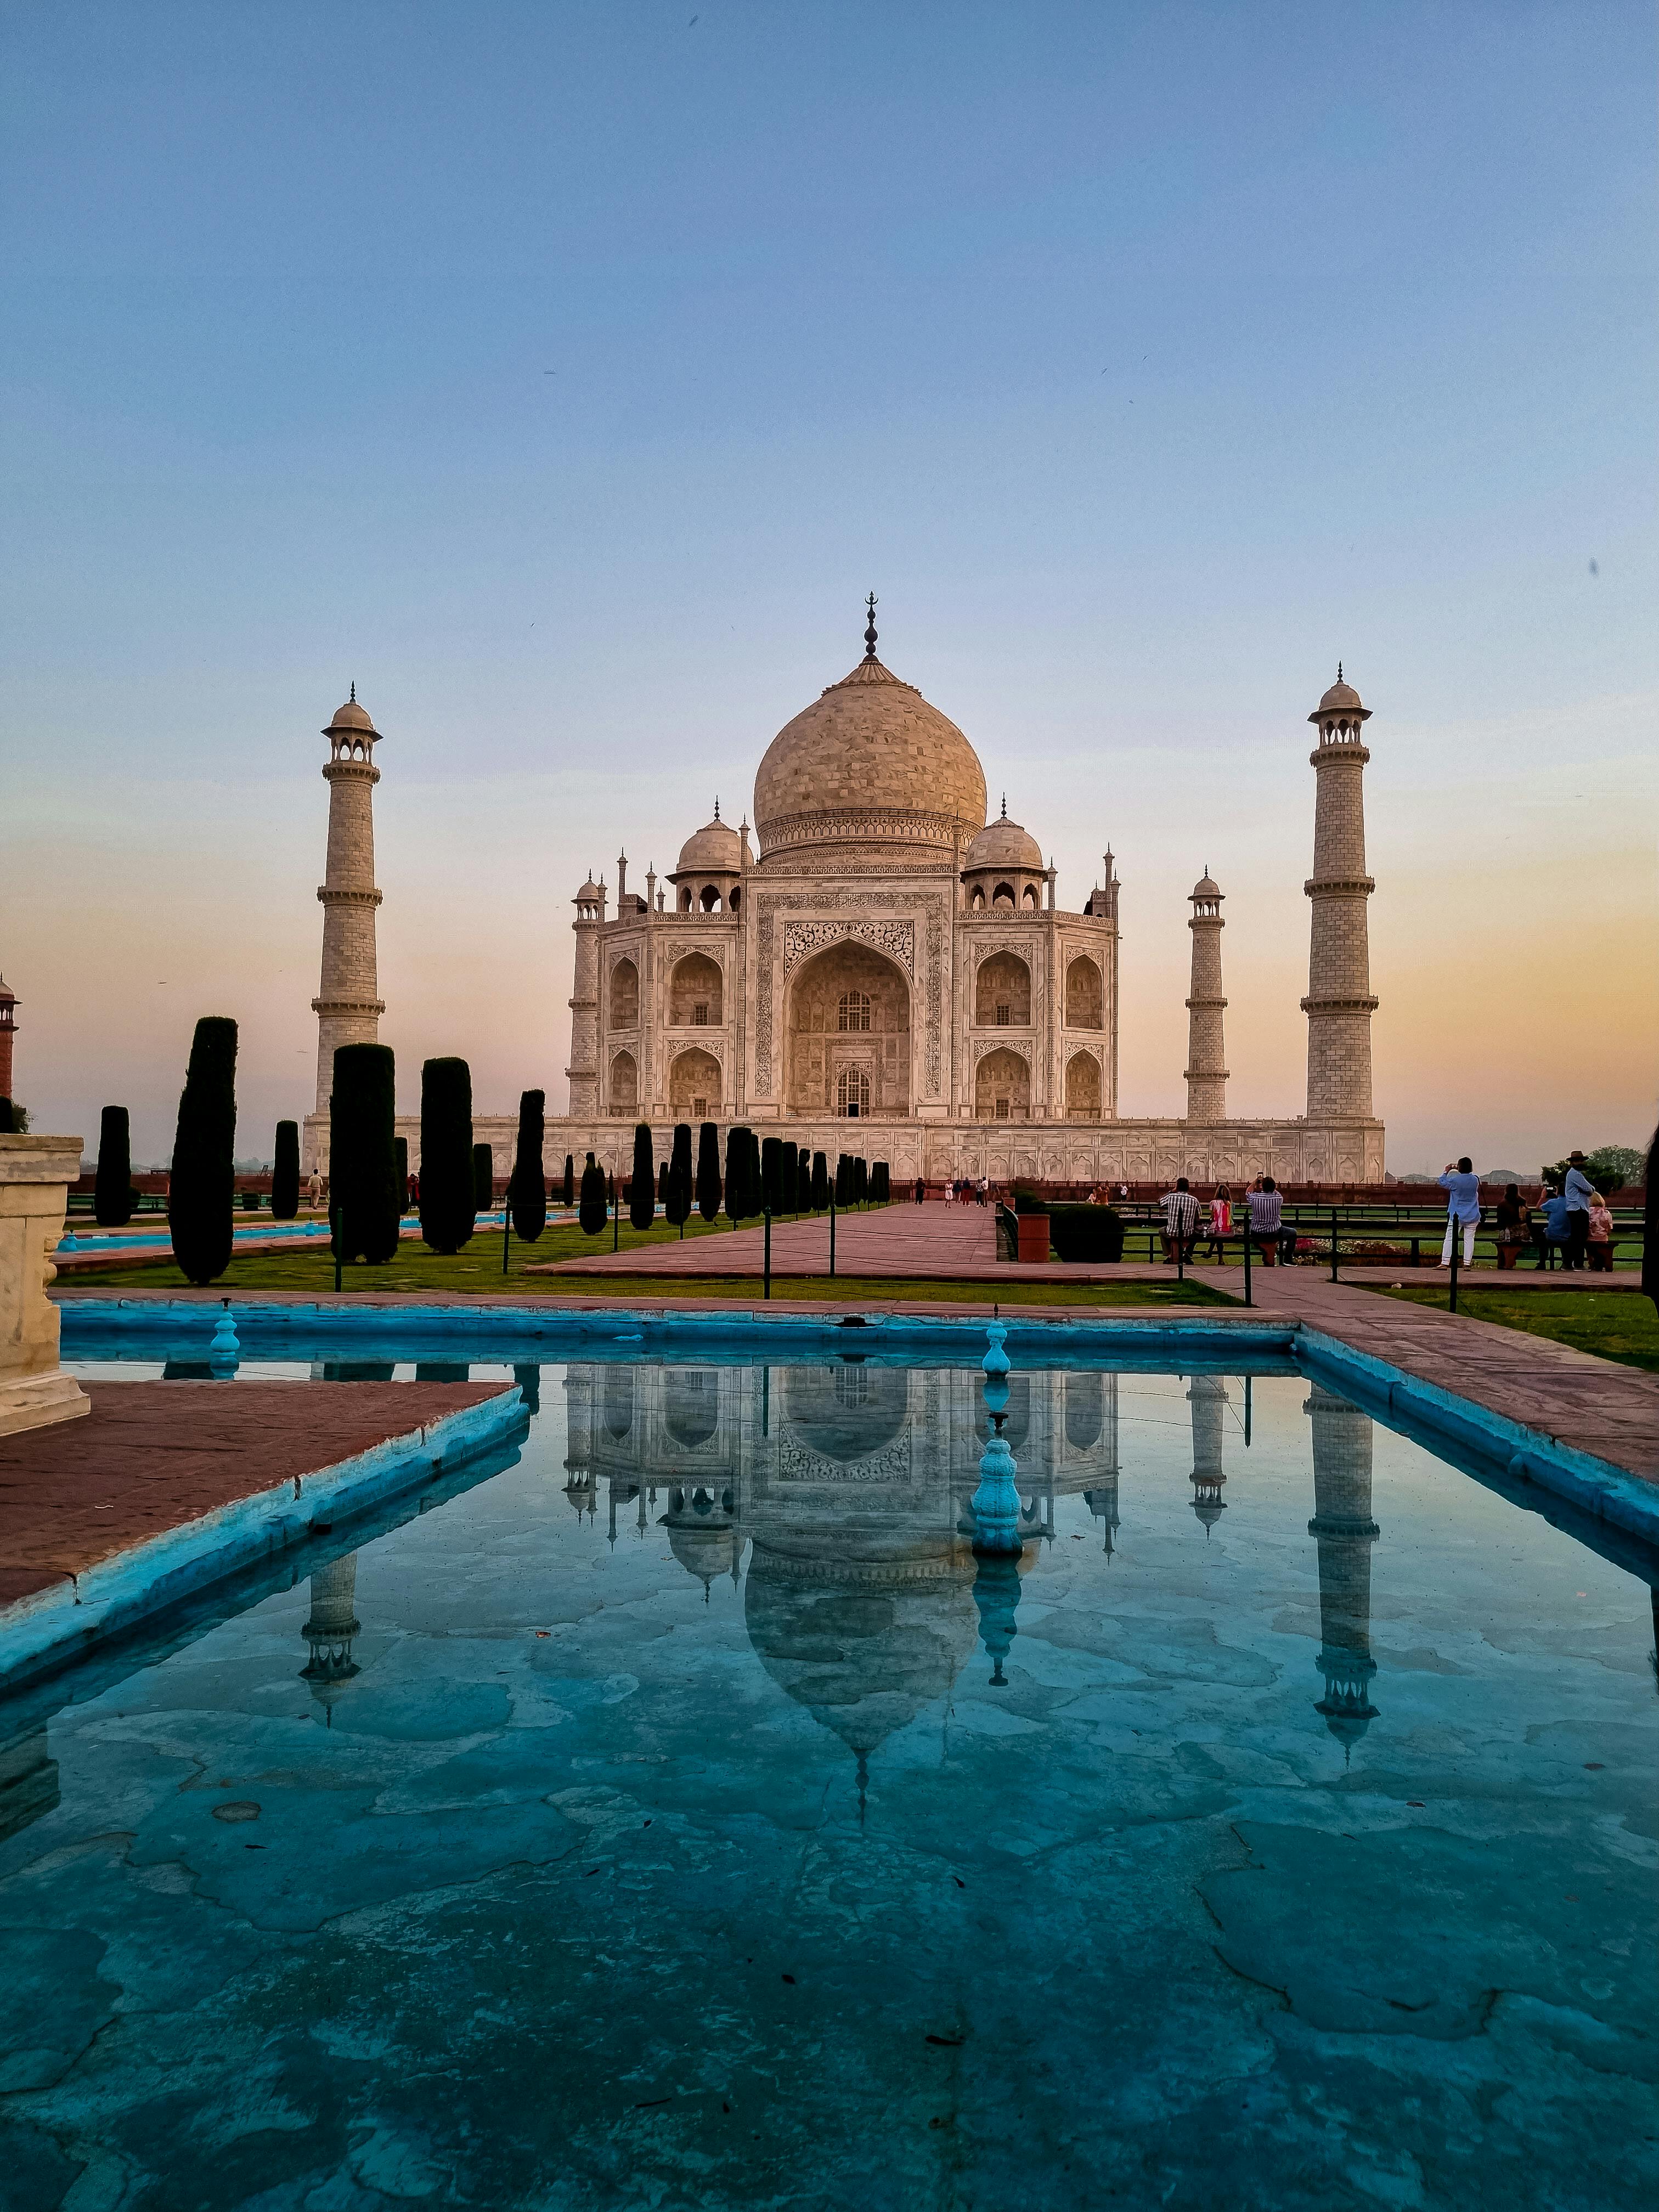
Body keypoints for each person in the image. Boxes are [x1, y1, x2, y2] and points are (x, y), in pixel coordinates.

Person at [1437, 1157, 1481, 1269]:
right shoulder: (1475, 1180)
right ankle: (1467, 1263)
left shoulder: (1455, 1181)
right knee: (1469, 1239)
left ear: (1459, 1167)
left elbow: (1442, 1182)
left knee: (1450, 1238)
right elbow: (1470, 1177)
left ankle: (1445, 1262)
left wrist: (1447, 1170)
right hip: (1473, 1213)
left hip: (1457, 1214)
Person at [1562, 1150, 1596, 1271]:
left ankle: (1568, 1263)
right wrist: (1590, 1189)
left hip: (1575, 1208)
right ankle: (1578, 1264)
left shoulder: (1574, 1174)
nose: (1580, 1163)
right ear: (1572, 1163)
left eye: (1581, 1160)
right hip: (1579, 1208)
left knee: (1576, 1237)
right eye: (1578, 1161)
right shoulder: (1576, 1175)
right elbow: (1590, 1189)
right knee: (1580, 1238)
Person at [1161, 1176, 1200, 1263]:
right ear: (1188, 1187)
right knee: (1198, 1233)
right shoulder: (1194, 1200)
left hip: (1171, 1231)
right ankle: (1188, 1254)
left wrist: (1172, 1191)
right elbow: (1197, 1219)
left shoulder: (1171, 1197)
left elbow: (1160, 1201)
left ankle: (1169, 1255)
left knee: (1161, 1231)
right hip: (1188, 1232)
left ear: (1177, 1187)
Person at [1493, 1182, 1530, 1271]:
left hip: (1509, 1233)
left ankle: (1503, 1264)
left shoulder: (1502, 1205)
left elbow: (1500, 1222)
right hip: (1523, 1233)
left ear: (1506, 1191)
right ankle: (1509, 1262)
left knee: (1502, 1244)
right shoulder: (1522, 1203)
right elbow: (1528, 1219)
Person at [1246, 1175, 1282, 1265]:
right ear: (1274, 1187)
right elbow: (1276, 1193)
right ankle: (1288, 1260)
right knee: (1293, 1233)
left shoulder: (1255, 1198)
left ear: (1262, 1186)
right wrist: (1271, 1187)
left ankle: (1266, 1253)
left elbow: (1248, 1193)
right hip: (1273, 1232)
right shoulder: (1278, 1198)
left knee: (1265, 1245)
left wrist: (1255, 1183)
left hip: (1256, 1233)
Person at [1536, 1186, 1570, 1269]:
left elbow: (1538, 1208)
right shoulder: (1572, 1203)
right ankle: (1566, 1262)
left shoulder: (1553, 1203)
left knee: (1542, 1238)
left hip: (1553, 1236)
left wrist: (1543, 1196)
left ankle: (1542, 1262)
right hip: (1569, 1236)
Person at [1586, 1192, 1615, 1272]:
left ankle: (1592, 1264)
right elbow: (1609, 1230)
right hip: (1603, 1239)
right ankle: (1600, 1263)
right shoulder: (1607, 1213)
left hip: (1590, 1239)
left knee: (1588, 1246)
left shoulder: (1588, 1212)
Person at [1205, 1182, 1232, 1263]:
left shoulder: (1213, 1203)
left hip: (1217, 1230)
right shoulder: (1229, 1204)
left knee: (1216, 1233)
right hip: (1226, 1229)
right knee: (1218, 1237)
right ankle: (1220, 1258)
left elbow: (1213, 1217)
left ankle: (1210, 1251)